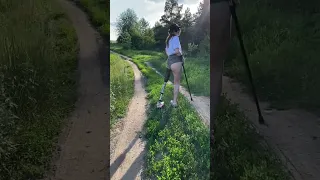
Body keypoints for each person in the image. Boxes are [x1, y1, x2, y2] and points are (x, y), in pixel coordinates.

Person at [165, 23, 184, 107]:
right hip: (176, 60)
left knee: (175, 81)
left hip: (170, 60)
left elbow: (167, 52)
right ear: (176, 31)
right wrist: (181, 56)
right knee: (177, 82)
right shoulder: (176, 38)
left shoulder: (168, 40)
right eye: (179, 30)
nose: (180, 31)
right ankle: (175, 102)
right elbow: (177, 51)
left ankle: (175, 100)